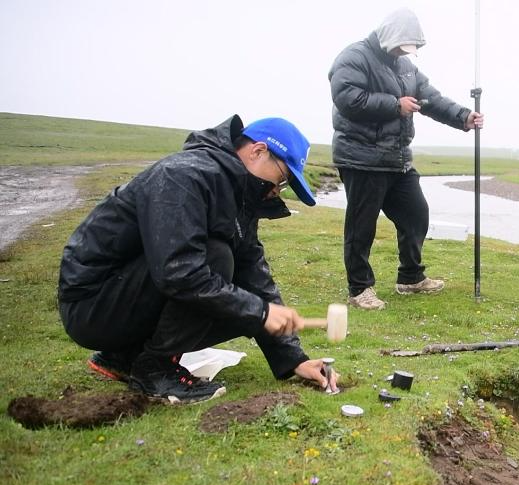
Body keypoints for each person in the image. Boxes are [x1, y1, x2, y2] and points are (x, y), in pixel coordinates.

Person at [57, 115, 339, 404]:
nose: (277, 190)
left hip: (123, 299)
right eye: (282, 179)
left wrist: (293, 358)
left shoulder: (238, 196)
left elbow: (253, 274)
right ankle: (155, 370)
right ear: (257, 151)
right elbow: (179, 272)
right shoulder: (183, 176)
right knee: (218, 259)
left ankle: (125, 356)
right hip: (92, 306)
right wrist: (260, 311)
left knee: (246, 303)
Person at [328, 7, 484, 310]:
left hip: (397, 158)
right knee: (361, 226)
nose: (405, 52)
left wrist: (463, 117)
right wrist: (393, 105)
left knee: (416, 214)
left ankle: (411, 277)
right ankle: (359, 289)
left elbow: (431, 99)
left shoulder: (406, 66)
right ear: (390, 36)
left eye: (409, 48)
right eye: (402, 46)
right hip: (361, 157)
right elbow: (346, 98)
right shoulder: (354, 57)